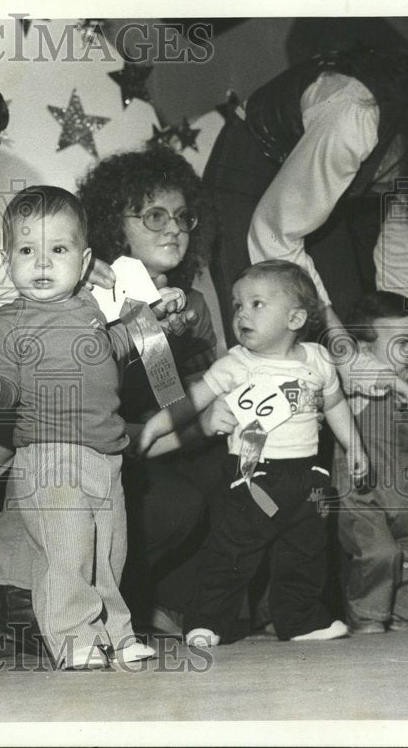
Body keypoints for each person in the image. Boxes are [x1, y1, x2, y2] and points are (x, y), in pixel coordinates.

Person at [0, 186, 157, 669]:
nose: (41, 264)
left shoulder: (90, 309)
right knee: (67, 553)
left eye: (57, 250)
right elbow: (6, 397)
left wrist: (153, 322)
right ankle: (71, 638)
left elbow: (114, 348)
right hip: (49, 453)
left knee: (108, 553)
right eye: (26, 251)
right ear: (6, 260)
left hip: (106, 453)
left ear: (82, 263)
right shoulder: (7, 323)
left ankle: (116, 636)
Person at [140, 260, 368, 646]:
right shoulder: (236, 364)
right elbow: (189, 403)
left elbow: (335, 406)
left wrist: (355, 445)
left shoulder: (317, 359)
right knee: (232, 551)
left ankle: (300, 621)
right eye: (237, 305)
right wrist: (151, 429)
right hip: (251, 474)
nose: (242, 313)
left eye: (256, 304)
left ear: (295, 318)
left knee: (305, 552)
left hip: (308, 475)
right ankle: (206, 621)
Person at [77, 146, 225, 632]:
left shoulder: (195, 303)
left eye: (183, 217)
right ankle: (103, 607)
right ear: (111, 223)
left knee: (239, 474)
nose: (174, 228)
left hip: (163, 436)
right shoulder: (91, 295)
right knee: (174, 502)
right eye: (154, 215)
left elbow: (200, 389)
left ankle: (171, 607)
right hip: (102, 445)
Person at [203, 47, 408, 343]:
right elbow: (274, 233)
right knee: (269, 334)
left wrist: (407, 341)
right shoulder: (357, 114)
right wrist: (340, 347)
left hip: (316, 194)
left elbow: (405, 266)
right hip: (251, 171)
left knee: (351, 319)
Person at [336, 291, 408, 634]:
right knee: (379, 553)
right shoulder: (359, 383)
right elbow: (348, 363)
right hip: (362, 498)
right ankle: (367, 618)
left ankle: (399, 615)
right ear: (365, 350)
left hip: (404, 495)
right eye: (402, 343)